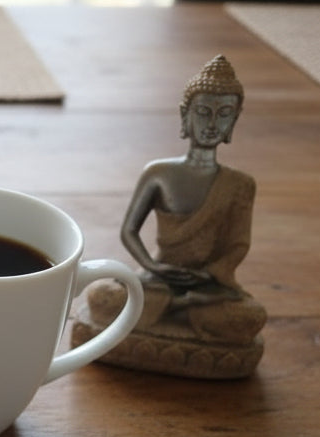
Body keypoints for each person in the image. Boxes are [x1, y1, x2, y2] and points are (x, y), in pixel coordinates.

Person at [86, 55, 267, 346]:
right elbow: (128, 231)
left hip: (208, 285)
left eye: (223, 114)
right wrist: (153, 267)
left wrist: (207, 275)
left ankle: (173, 310)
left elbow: (238, 245)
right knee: (103, 297)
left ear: (234, 120)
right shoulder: (159, 173)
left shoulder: (240, 185)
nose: (211, 123)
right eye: (203, 112)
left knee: (249, 317)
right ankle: (177, 309)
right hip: (158, 277)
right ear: (185, 115)